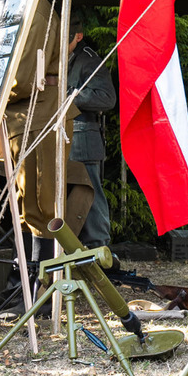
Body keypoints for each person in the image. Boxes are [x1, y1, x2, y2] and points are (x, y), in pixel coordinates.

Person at [0, 0, 93, 307]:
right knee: (29, 207)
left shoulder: (31, 10)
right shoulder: (10, 10)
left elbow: (20, 78)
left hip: (40, 116)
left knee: (42, 207)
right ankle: (29, 288)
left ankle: (40, 294)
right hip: (24, 119)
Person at [66, 24, 116, 251]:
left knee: (91, 198)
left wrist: (69, 96)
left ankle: (99, 249)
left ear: (78, 35)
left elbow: (107, 98)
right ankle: (73, 248)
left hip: (83, 140)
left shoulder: (89, 60)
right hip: (64, 139)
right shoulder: (58, 56)